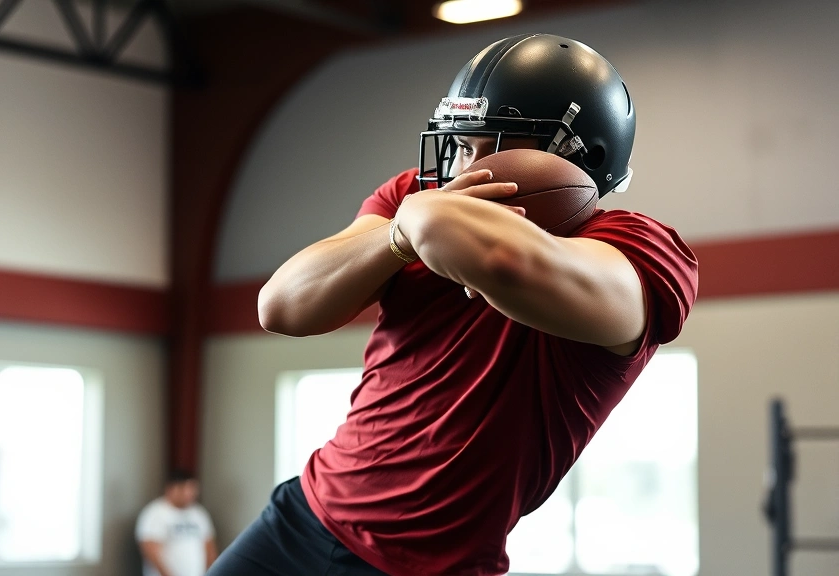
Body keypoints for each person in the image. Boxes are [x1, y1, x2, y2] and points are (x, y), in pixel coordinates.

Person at [208, 33, 698, 576]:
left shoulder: (645, 251)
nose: (464, 170)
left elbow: (503, 261)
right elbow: (281, 306)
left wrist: (427, 221)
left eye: (496, 146)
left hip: (441, 563)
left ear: (581, 160)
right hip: (307, 516)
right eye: (463, 145)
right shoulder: (414, 198)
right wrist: (398, 235)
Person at [137, 469, 218, 576]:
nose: (189, 493)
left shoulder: (199, 514)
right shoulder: (155, 513)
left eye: (192, 488)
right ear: (171, 489)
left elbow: (209, 547)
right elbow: (150, 550)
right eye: (184, 488)